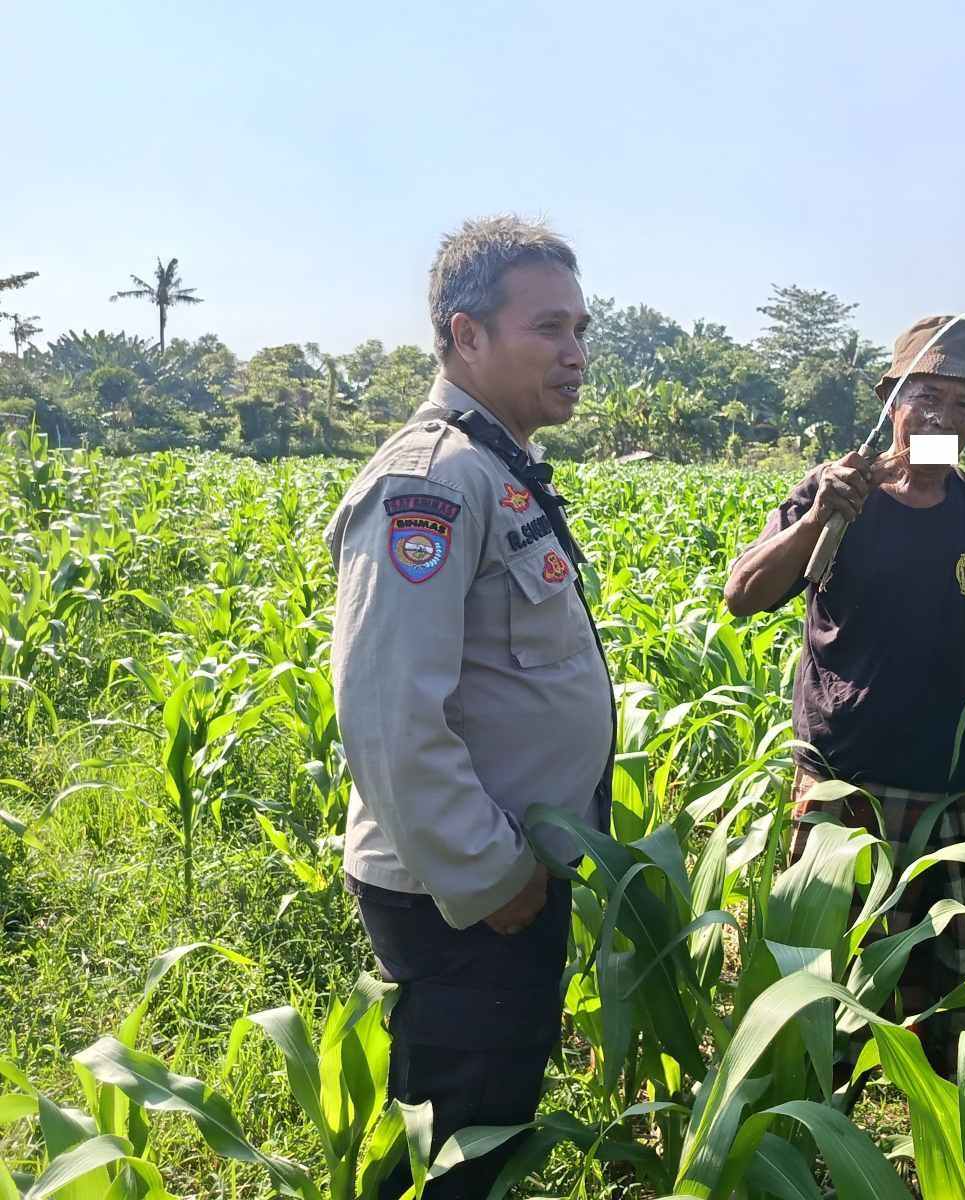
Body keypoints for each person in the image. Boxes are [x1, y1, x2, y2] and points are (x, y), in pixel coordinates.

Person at [328, 215, 612, 1198]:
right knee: (457, 1151)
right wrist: (496, 878)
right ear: (465, 335)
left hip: (502, 880)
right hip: (469, 896)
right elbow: (388, 719)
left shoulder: (498, 465)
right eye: (549, 329)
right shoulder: (433, 480)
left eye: (581, 328)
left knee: (484, 1130)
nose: (577, 354)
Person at [723, 314, 965, 1075]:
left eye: (963, 405)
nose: (942, 417)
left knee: (948, 999)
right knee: (822, 991)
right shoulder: (840, 494)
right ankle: (812, 1137)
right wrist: (817, 518)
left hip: (949, 796)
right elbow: (744, 595)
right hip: (844, 786)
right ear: (890, 401)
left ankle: (943, 1147)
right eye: (925, 397)